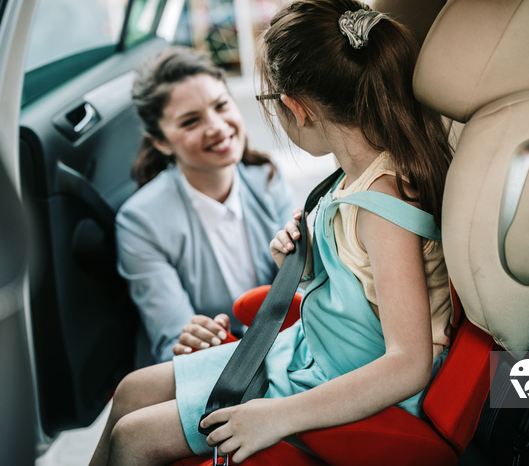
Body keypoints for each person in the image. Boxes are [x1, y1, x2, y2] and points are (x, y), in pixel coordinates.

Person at [90, 1, 452, 464]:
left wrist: (277, 415)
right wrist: (301, 263)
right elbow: (357, 288)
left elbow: (409, 363)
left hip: (341, 375)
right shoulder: (347, 180)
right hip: (309, 349)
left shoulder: (381, 204)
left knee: (133, 438)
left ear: (296, 109)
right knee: (132, 389)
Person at [115, 46, 296, 368]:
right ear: (161, 142)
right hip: (209, 365)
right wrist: (194, 340)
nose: (216, 126)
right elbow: (173, 340)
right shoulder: (140, 221)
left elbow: (301, 282)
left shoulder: (266, 178)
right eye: (190, 121)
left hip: (284, 348)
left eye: (221, 105)